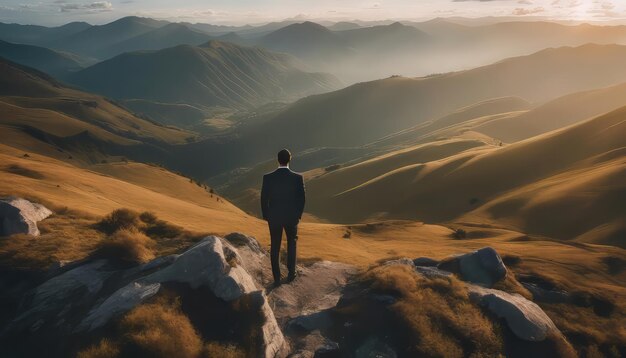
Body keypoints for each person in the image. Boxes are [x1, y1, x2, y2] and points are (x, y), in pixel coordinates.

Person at [260, 149, 305, 287]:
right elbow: (302, 198)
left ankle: (277, 278)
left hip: (274, 217)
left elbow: (263, 198)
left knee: (275, 245)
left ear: (277, 159)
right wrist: (298, 215)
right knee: (292, 243)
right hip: (291, 217)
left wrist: (267, 215)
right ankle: (291, 274)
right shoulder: (297, 177)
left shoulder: (268, 177)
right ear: (290, 159)